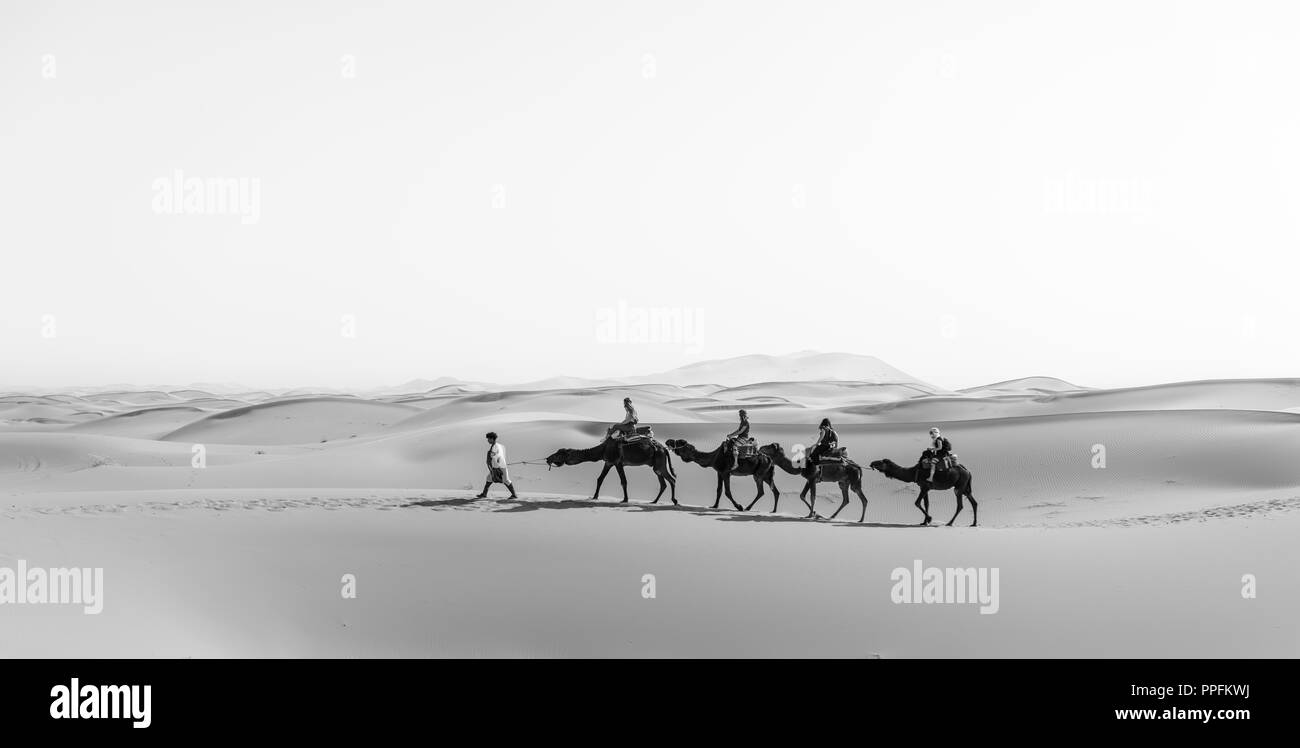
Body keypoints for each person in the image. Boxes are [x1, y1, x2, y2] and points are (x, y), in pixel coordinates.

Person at [475, 432, 518, 499]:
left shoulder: (495, 447)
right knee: (489, 478)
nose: (488, 440)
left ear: (492, 439)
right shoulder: (497, 445)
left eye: (488, 439)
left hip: (499, 467)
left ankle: (514, 495)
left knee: (506, 480)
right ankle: (484, 494)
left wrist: (496, 468)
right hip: (497, 467)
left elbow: (495, 458)